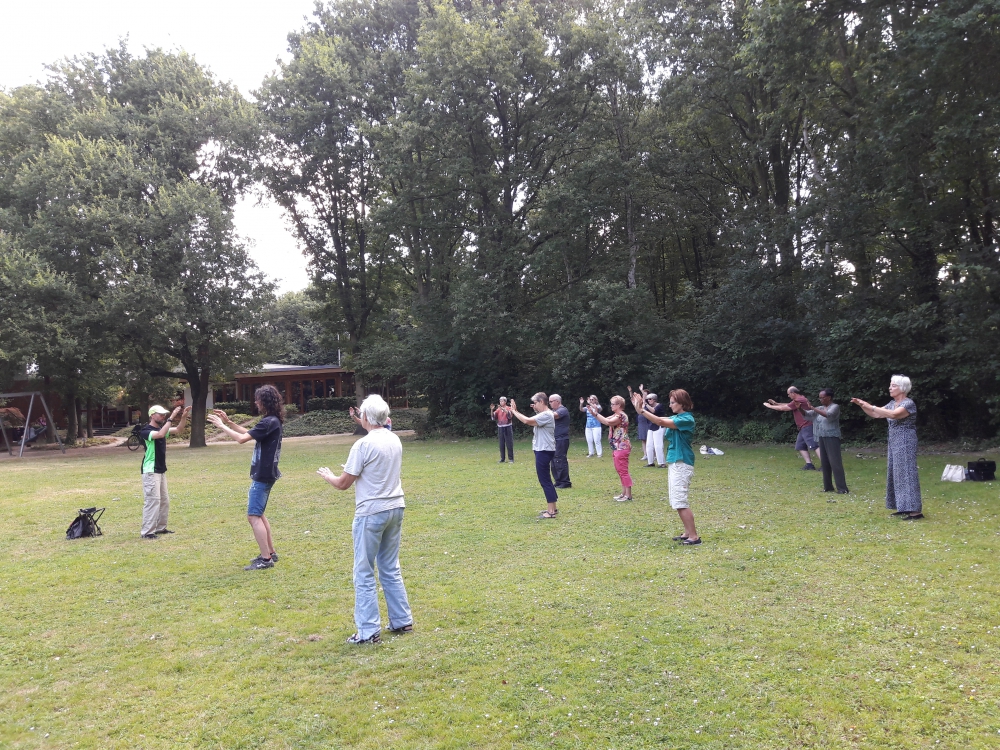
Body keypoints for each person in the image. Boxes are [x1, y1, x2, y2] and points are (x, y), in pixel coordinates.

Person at [317, 394, 414, 644]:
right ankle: (402, 621)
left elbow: (343, 484)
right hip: (396, 507)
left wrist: (328, 475)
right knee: (390, 567)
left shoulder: (363, 445)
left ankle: (368, 631)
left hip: (371, 513)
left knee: (363, 571)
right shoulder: (394, 439)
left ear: (367, 417)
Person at [207, 385, 285, 570]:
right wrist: (230, 422)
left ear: (264, 401)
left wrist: (221, 426)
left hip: (263, 475)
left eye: (258, 399)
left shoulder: (269, 422)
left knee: (253, 516)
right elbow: (248, 433)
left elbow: (242, 439)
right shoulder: (272, 420)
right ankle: (270, 553)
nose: (255, 402)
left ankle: (266, 560)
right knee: (259, 514)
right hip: (267, 473)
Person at [635, 389, 701, 544]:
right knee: (676, 500)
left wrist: (642, 410)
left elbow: (659, 422)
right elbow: (659, 418)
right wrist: (640, 409)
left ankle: (694, 537)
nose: (670, 405)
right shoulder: (677, 417)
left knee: (680, 501)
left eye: (673, 402)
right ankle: (687, 532)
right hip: (675, 461)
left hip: (682, 461)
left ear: (682, 403)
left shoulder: (687, 419)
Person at [852, 375, 923, 519]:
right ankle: (903, 507)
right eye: (890, 385)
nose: (890, 388)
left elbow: (894, 415)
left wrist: (871, 406)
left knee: (907, 474)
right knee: (896, 473)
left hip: (906, 441)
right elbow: (876, 414)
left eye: (893, 385)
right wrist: (862, 405)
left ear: (902, 388)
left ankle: (915, 511)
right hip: (894, 441)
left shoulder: (908, 404)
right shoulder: (892, 403)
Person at [138, 403, 191, 539]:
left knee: (164, 501)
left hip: (161, 470)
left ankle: (161, 528)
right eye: (160, 414)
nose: (163, 416)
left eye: (164, 414)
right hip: (150, 470)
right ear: (152, 415)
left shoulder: (162, 428)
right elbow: (161, 434)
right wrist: (171, 417)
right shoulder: (146, 431)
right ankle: (147, 532)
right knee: (153, 500)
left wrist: (183, 417)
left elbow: (179, 429)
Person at [509, 393, 559, 518]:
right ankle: (553, 508)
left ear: (542, 401)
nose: (534, 405)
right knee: (546, 479)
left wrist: (514, 411)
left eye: (536, 403)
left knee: (545, 480)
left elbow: (527, 421)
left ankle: (551, 512)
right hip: (543, 449)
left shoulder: (547, 414)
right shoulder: (544, 414)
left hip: (544, 450)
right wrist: (535, 410)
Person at [803, 389, 849, 495]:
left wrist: (813, 408)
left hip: (832, 437)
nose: (820, 399)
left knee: (835, 463)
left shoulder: (835, 407)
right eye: (819, 397)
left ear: (829, 397)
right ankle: (828, 487)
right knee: (825, 463)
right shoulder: (819, 408)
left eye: (822, 397)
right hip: (821, 437)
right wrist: (799, 408)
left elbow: (829, 415)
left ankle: (842, 488)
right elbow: (808, 414)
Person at [763, 386, 821, 470]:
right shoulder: (799, 399)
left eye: (788, 394)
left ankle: (826, 465)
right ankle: (809, 465)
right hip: (803, 427)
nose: (788, 396)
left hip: (807, 425)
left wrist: (769, 406)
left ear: (793, 393)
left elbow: (783, 408)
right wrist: (776, 404)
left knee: (814, 445)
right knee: (800, 446)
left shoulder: (799, 400)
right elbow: (788, 405)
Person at [589, 395, 633, 501]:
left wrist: (595, 413)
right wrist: (594, 412)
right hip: (617, 447)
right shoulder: (616, 414)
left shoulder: (620, 416)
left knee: (623, 471)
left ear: (619, 405)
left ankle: (628, 495)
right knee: (620, 470)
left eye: (613, 404)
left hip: (622, 447)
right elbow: (604, 420)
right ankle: (624, 493)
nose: (611, 406)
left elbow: (607, 422)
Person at [549, 394, 572, 489]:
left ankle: (565, 482)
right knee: (554, 461)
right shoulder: (552, 411)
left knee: (560, 460)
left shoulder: (562, 410)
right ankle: (558, 481)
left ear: (557, 401)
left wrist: (543, 410)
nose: (550, 403)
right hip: (554, 439)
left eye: (551, 401)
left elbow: (554, 416)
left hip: (561, 439)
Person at [643, 393, 667, 468]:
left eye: (650, 399)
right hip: (651, 427)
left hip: (659, 426)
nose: (648, 401)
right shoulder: (648, 407)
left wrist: (646, 404)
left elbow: (653, 411)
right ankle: (650, 462)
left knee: (658, 445)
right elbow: (642, 410)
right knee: (649, 445)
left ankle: (662, 463)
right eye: (648, 399)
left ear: (654, 399)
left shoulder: (659, 406)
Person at [490, 397, 514, 463]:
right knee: (501, 444)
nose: (501, 402)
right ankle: (502, 459)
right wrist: (492, 410)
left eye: (502, 401)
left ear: (505, 402)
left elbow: (510, 415)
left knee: (509, 443)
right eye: (500, 401)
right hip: (500, 428)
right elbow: (493, 417)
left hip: (508, 427)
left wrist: (503, 409)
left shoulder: (508, 408)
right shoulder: (498, 410)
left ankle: (511, 459)